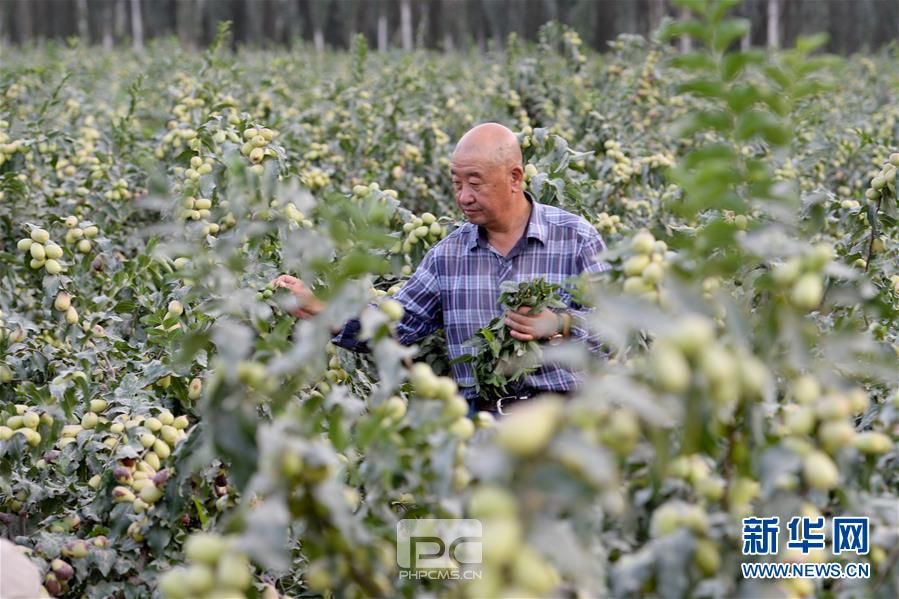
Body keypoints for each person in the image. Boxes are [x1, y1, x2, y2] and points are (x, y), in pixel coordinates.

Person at [274, 123, 607, 414]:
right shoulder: (448, 255)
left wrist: (561, 323)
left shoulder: (574, 238)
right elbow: (396, 325)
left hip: (564, 423)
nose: (463, 197)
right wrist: (322, 309)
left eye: (475, 183)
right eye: (456, 184)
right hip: (483, 428)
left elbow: (619, 331)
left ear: (515, 178)